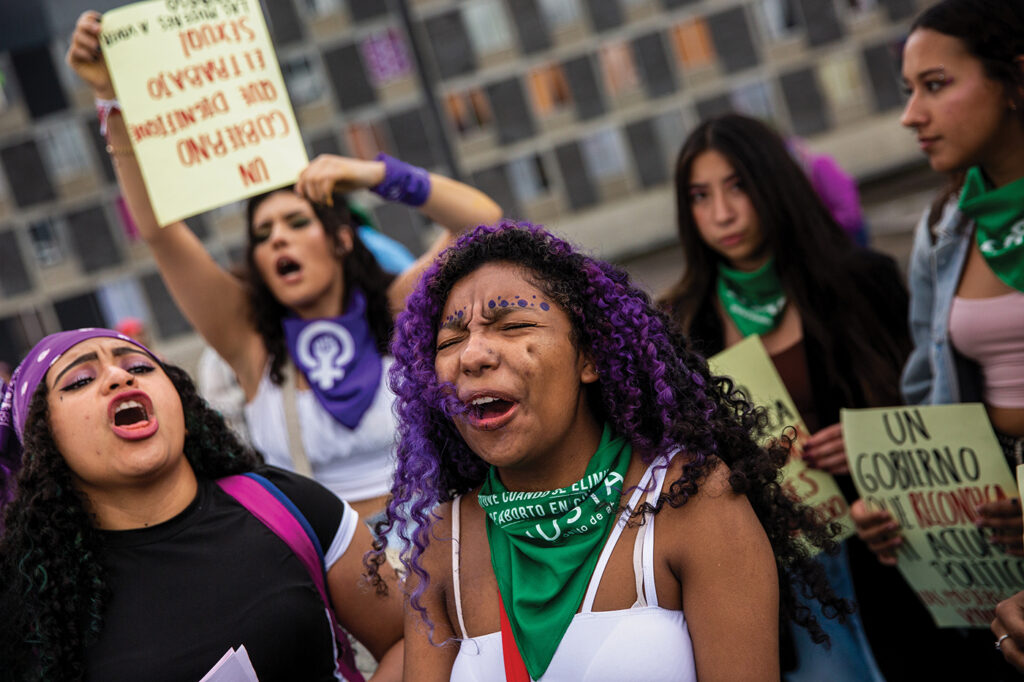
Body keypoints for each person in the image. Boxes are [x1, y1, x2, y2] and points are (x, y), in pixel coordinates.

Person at [66, 11, 503, 521]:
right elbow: (160, 233)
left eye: (296, 222)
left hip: (444, 559)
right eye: (263, 234)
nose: (278, 240)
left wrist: (373, 173)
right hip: (334, 582)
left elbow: (484, 223)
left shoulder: (400, 309)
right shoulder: (249, 343)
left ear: (340, 238)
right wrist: (110, 100)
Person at [372, 222, 849, 681]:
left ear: (591, 357)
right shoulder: (440, 544)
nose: (473, 355)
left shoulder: (693, 501)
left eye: (514, 326)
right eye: (450, 340)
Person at [660, 113, 912, 681]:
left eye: (738, 186)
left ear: (774, 181)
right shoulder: (681, 323)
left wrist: (872, 441)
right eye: (700, 196)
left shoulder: (862, 283)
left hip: (894, 546)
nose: (721, 213)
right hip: (786, 574)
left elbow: (931, 411)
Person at [0, 328, 403, 682]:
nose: (119, 377)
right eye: (80, 379)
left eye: (140, 368)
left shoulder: (287, 504)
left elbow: (408, 640)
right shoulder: (28, 600)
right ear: (41, 441)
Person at [848, 2, 1024, 676]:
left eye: (937, 84)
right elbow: (928, 404)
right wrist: (901, 504)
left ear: (1014, 80)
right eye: (907, 90)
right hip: (995, 549)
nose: (910, 114)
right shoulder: (944, 228)